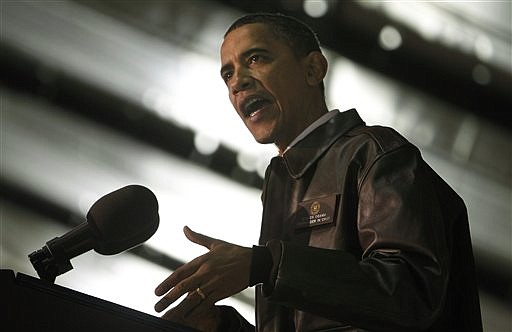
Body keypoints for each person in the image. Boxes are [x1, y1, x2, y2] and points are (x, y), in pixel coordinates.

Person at [153, 13, 483, 332]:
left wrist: (266, 265)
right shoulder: (280, 181)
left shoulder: (375, 153)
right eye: (227, 74)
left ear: (313, 69)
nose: (238, 81)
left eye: (256, 59)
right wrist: (224, 326)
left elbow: (410, 294)